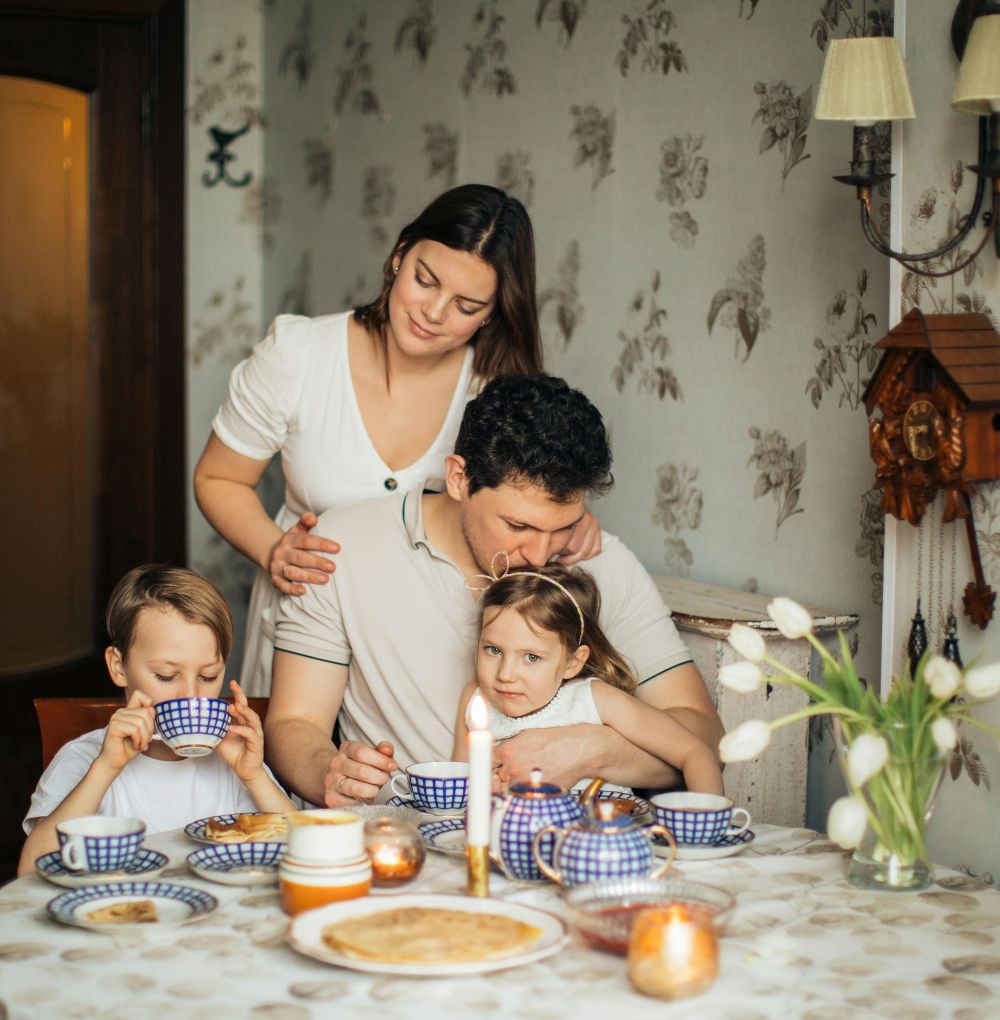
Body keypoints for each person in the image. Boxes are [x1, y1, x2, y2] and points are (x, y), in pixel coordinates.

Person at [194, 184, 599, 697]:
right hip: (305, 633)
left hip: (427, 657)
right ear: (399, 255)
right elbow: (217, 477)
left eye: (466, 305)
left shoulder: (495, 390)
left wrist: (570, 522)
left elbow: (535, 495)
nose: (433, 312)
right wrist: (274, 549)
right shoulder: (299, 355)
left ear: (493, 312)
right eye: (424, 280)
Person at [265, 374, 725, 808]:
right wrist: (330, 770)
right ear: (459, 478)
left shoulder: (602, 561)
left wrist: (594, 750)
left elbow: (701, 735)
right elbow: (295, 723)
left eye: (562, 527)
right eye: (518, 525)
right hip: (408, 838)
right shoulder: (340, 545)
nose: (542, 555)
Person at [18, 565, 295, 875]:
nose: (191, 696)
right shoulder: (83, 758)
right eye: (166, 676)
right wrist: (106, 768)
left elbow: (310, 849)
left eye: (208, 676)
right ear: (119, 667)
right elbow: (31, 873)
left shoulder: (235, 766)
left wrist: (255, 776)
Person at [451, 565, 724, 796]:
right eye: (493, 650)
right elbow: (460, 788)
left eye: (531, 657)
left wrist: (705, 829)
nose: (505, 674)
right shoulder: (475, 700)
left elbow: (694, 752)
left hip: (602, 845)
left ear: (573, 662)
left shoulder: (594, 700)